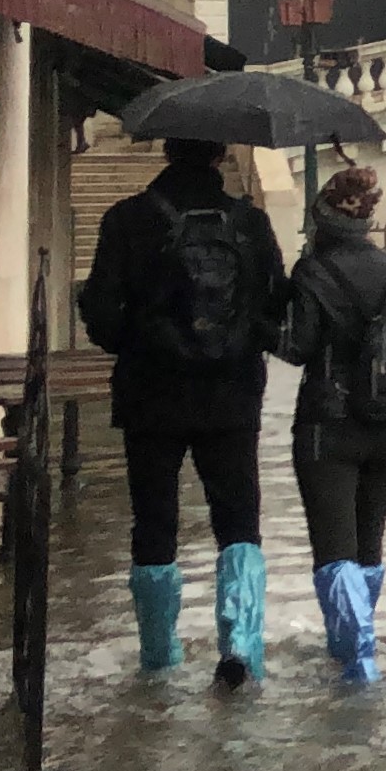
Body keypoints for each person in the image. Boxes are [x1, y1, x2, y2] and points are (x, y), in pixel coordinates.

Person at [75, 135, 288, 686]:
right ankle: (241, 647)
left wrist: (140, 341)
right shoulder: (251, 223)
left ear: (167, 150)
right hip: (233, 395)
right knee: (238, 517)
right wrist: (238, 344)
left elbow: (99, 311)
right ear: (219, 156)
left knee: (154, 519)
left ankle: (159, 658)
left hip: (151, 395)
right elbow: (276, 306)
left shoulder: (127, 219)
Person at [275, 163, 386, 685]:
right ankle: (362, 644)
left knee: (335, 550)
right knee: (370, 546)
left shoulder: (312, 273)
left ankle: (357, 664)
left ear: (323, 218)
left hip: (327, 428)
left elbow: (297, 348)